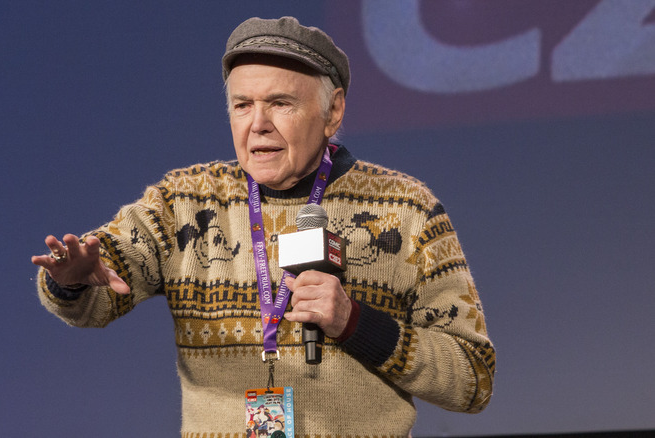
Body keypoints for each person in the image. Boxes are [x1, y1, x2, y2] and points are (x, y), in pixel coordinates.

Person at [32, 16, 495, 437]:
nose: (258, 125)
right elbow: (101, 283)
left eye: (280, 103)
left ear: (333, 111)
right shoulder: (184, 202)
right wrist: (70, 282)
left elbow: (473, 379)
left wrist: (355, 323)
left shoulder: (407, 209)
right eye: (242, 105)